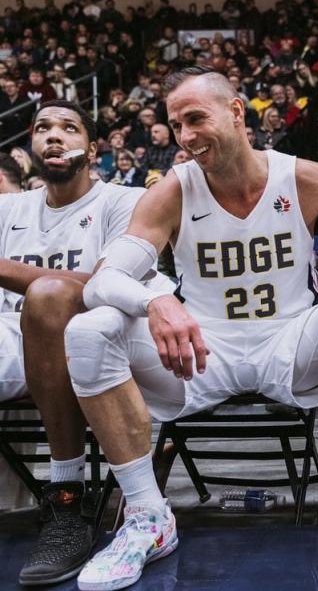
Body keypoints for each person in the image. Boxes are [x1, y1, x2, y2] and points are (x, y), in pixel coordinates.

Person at [60, 66, 318, 590]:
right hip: (204, 351)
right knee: (90, 331)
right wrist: (156, 298)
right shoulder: (173, 191)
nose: (185, 136)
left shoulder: (302, 176)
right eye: (176, 124)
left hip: (290, 343)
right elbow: (102, 281)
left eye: (195, 118)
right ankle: (146, 515)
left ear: (235, 111)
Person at [2, 101, 156, 586]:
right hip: (9, 333)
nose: (53, 136)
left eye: (68, 129)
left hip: (94, 339)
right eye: (43, 128)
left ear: (92, 149)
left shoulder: (124, 201)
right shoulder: (9, 207)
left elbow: (103, 282)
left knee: (48, 296)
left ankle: (67, 497)